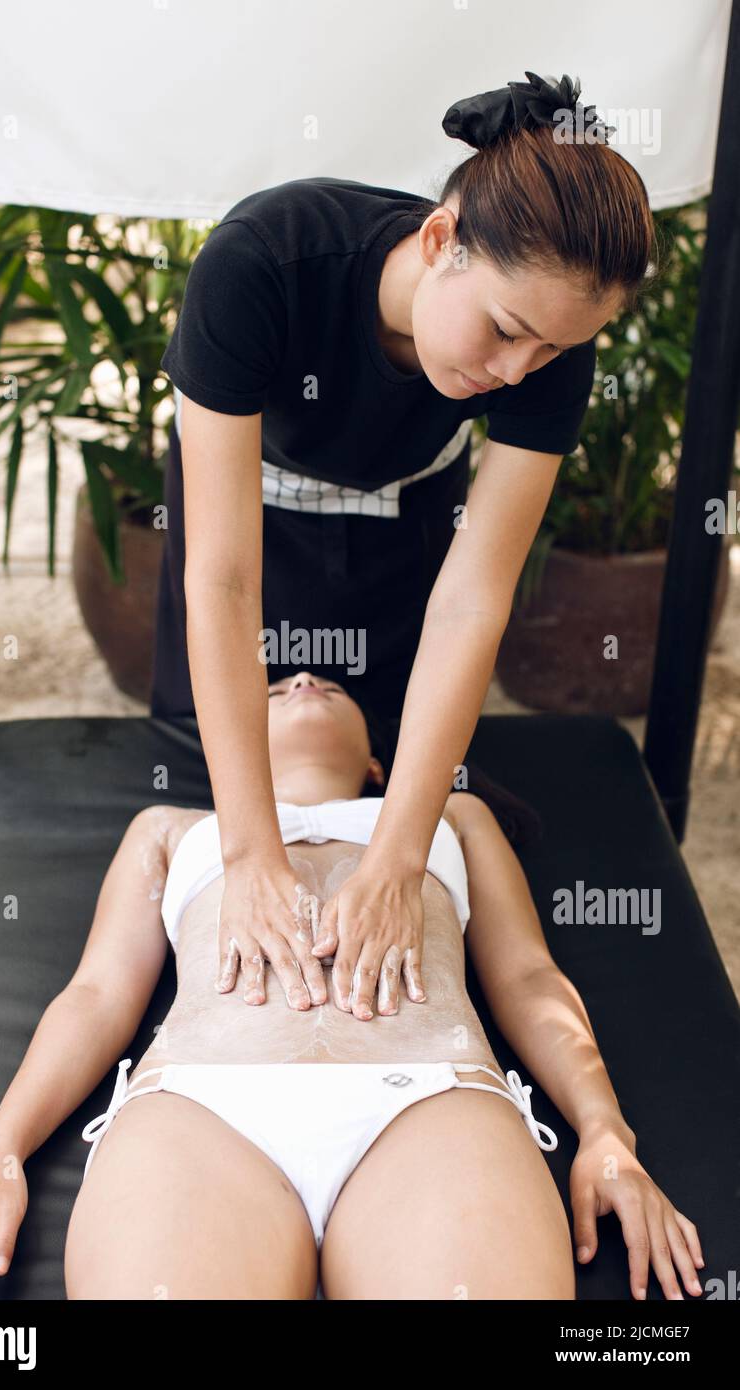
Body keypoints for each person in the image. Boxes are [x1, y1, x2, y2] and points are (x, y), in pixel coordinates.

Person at [0, 673, 704, 1301]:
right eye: (275, 687)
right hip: (201, 1107)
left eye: (330, 688)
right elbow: (97, 996)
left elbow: (529, 976)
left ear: (377, 764)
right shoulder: (171, 830)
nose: (303, 680)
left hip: (429, 1098)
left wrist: (605, 1135)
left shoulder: (449, 816)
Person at [149, 71, 659, 1013]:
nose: (517, 372)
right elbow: (221, 583)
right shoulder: (262, 261)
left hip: (407, 526)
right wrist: (252, 854)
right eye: (505, 332)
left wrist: (398, 855)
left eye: (547, 353)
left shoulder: (549, 337)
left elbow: (472, 599)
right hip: (250, 518)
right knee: (213, 795)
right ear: (439, 243)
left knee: (382, 772)